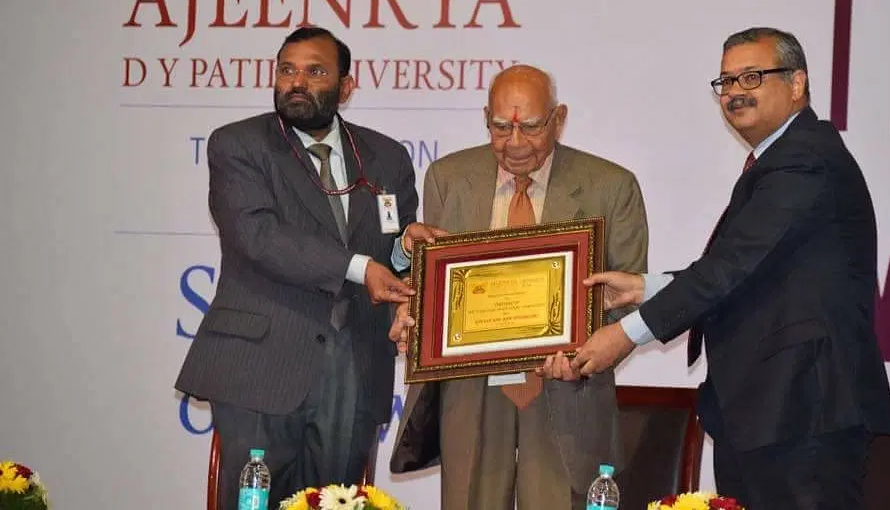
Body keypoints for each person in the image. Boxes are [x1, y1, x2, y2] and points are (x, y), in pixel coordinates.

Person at [570, 27, 890, 509]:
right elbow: (753, 272)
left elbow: (732, 266)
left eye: (752, 76)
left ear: (797, 83)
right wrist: (645, 287)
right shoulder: (779, 159)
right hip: (768, 412)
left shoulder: (805, 158)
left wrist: (627, 333)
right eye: (726, 81)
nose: (735, 92)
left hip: (805, 413)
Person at [175, 26, 445, 510]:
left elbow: (390, 253)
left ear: (346, 86)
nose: (296, 82)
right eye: (287, 70)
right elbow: (257, 236)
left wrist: (406, 250)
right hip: (262, 364)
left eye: (315, 71)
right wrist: (361, 267)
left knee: (337, 501)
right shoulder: (239, 145)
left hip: (356, 366)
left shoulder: (386, 157)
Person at [388, 65, 650, 510]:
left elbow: (629, 303)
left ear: (558, 119)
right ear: (485, 118)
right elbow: (434, 281)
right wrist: (415, 313)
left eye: (530, 127)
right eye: (499, 127)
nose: (514, 142)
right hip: (470, 389)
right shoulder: (448, 177)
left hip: (564, 391)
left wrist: (585, 357)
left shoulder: (611, 186)